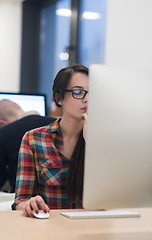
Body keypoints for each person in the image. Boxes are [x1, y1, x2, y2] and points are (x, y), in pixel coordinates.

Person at [13, 64, 88, 217]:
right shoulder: (34, 139)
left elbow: (115, 197)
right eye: (78, 92)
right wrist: (30, 204)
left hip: (94, 228)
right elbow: (21, 200)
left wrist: (93, 143)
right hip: (50, 229)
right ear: (59, 98)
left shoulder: (104, 141)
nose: (87, 99)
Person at [0, 100, 56, 192]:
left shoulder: (4, 133)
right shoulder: (57, 124)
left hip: (24, 198)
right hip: (61, 197)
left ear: (2, 123)